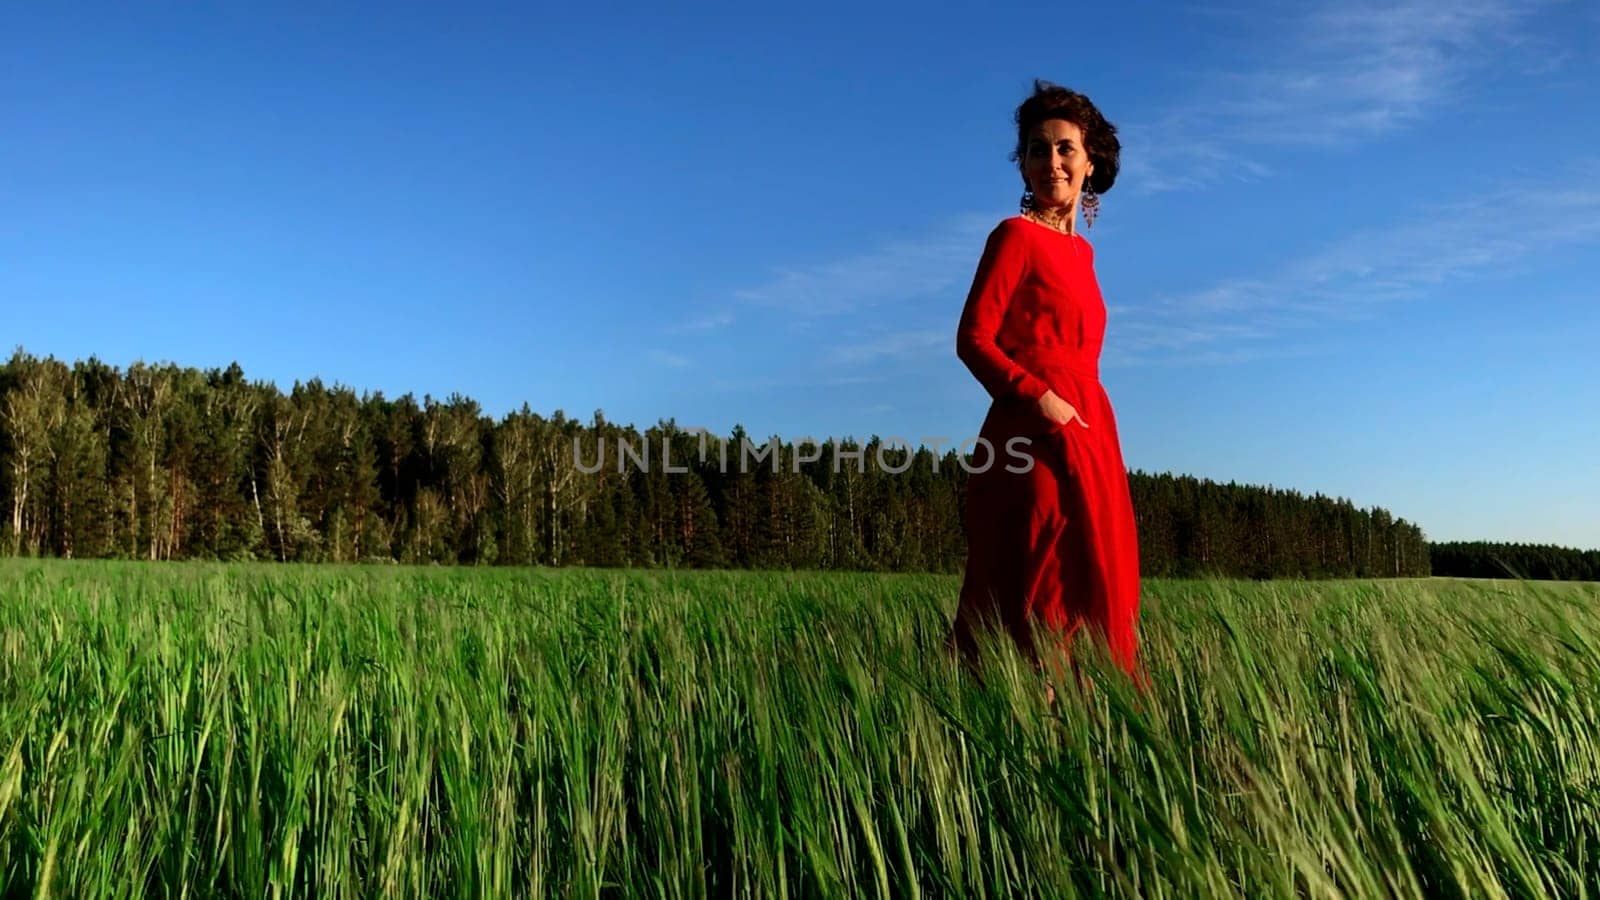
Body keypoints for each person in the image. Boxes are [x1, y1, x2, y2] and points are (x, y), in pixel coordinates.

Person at [947, 79, 1147, 697]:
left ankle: (1086, 738)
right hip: (1029, 429)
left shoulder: (1084, 256)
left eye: (1064, 148)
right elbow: (973, 340)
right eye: (1037, 149)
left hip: (1091, 429)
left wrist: (1074, 411)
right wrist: (1041, 400)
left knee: (1098, 575)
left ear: (1092, 161)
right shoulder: (1013, 236)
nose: (1051, 162)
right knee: (1033, 577)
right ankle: (1010, 724)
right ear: (1024, 163)